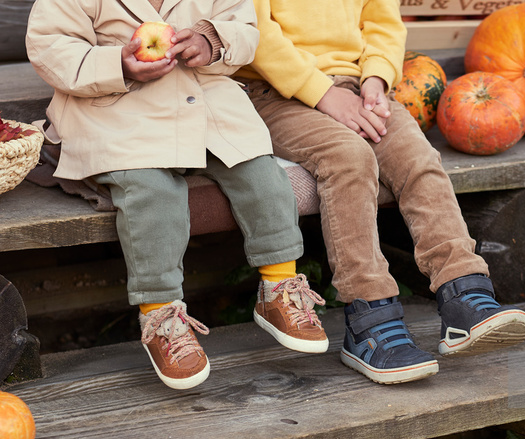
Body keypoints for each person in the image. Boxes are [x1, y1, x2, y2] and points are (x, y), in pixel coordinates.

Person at [25, 0, 328, 391]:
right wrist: (117, 61)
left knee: (261, 173)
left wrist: (211, 40)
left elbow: (245, 26)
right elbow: (52, 47)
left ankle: (279, 287)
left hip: (201, 102)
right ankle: (160, 315)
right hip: (118, 110)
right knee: (152, 192)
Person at [234, 0, 525, 384]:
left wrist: (376, 80)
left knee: (417, 159)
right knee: (350, 159)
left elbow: (383, 23)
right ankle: (368, 320)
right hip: (274, 93)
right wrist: (324, 94)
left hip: (358, 87)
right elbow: (256, 34)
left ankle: (463, 293)